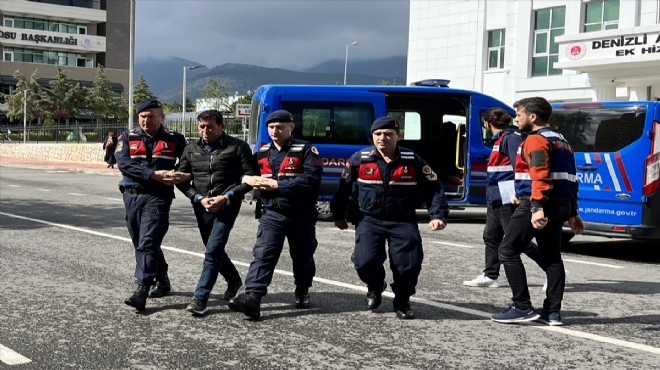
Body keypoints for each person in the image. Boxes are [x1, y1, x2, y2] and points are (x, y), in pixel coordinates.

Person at [330, 116, 449, 320]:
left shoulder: (413, 160)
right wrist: (339, 215)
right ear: (372, 136)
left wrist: (437, 215)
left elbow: (434, 188)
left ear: (398, 136)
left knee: (409, 264)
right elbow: (343, 190)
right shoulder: (359, 159)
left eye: (388, 134)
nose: (382, 138)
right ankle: (375, 286)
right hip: (369, 219)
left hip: (402, 220)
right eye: (377, 134)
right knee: (364, 261)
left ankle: (402, 300)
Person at [491, 97, 584, 326]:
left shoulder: (535, 140)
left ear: (532, 117)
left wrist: (536, 207)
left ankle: (522, 306)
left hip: (538, 203)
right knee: (552, 257)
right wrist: (572, 211)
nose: (516, 119)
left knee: (507, 250)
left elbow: (540, 174)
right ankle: (552, 313)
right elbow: (571, 179)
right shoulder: (562, 141)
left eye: (519, 114)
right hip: (560, 204)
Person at [228, 109, 323, 320]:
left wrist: (278, 184)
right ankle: (253, 297)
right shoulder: (262, 152)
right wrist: (247, 178)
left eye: (280, 127)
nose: (275, 131)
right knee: (263, 254)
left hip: (301, 213)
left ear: (291, 127)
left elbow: (312, 179)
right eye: (271, 127)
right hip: (272, 213)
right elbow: (247, 173)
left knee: (302, 256)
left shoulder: (306, 150)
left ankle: (302, 288)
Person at [176, 109, 260, 316]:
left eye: (210, 126)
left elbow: (250, 178)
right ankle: (233, 280)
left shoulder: (238, 147)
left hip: (227, 205)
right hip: (202, 205)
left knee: (213, 250)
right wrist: (198, 198)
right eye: (202, 126)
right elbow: (181, 179)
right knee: (213, 248)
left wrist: (227, 197)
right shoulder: (190, 149)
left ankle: (199, 298)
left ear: (221, 127)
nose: (205, 131)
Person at [115, 98, 188, 312]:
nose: (146, 120)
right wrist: (152, 174)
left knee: (148, 241)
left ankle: (142, 289)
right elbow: (123, 164)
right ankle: (163, 278)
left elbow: (186, 162)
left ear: (161, 117)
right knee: (142, 241)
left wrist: (178, 176)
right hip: (131, 195)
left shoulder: (175, 139)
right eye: (143, 117)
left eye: (151, 116)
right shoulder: (127, 137)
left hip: (158, 196)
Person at [464, 108, 545, 288]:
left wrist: (516, 192)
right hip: (496, 195)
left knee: (516, 240)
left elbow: (520, 166)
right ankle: (491, 275)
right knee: (491, 236)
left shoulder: (510, 138)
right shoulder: (502, 139)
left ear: (487, 124)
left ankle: (551, 270)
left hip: (507, 194)